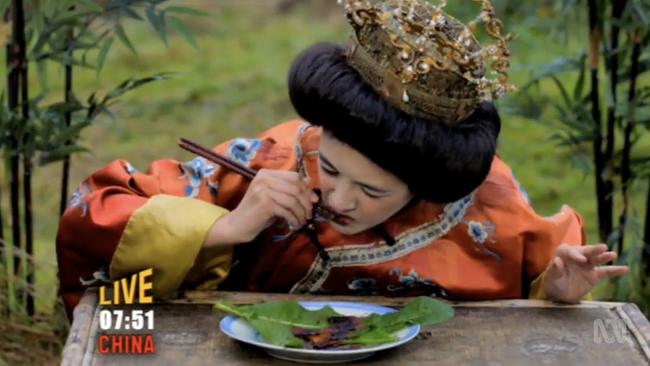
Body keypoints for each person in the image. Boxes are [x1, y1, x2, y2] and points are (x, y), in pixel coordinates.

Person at [56, 0, 628, 318]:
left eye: (373, 191)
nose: (338, 198)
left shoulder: (483, 202)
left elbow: (530, 291)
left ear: (425, 184)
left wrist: (552, 294)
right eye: (329, 169)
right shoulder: (275, 160)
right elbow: (95, 218)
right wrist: (223, 228)